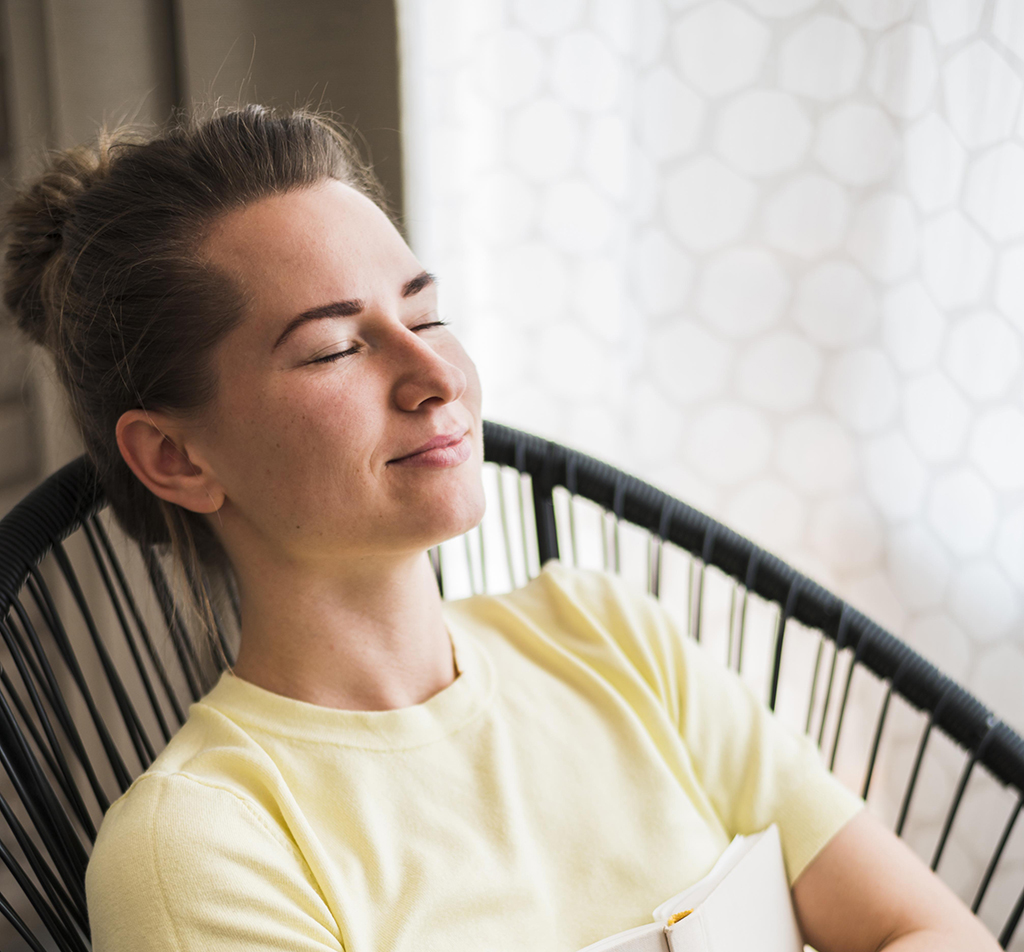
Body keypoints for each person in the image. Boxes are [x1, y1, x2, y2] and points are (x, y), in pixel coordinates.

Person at [2, 105, 998, 952]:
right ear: (177, 457)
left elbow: (932, 930)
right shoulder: (203, 848)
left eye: (425, 317)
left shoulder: (607, 635)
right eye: (334, 347)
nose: (437, 378)